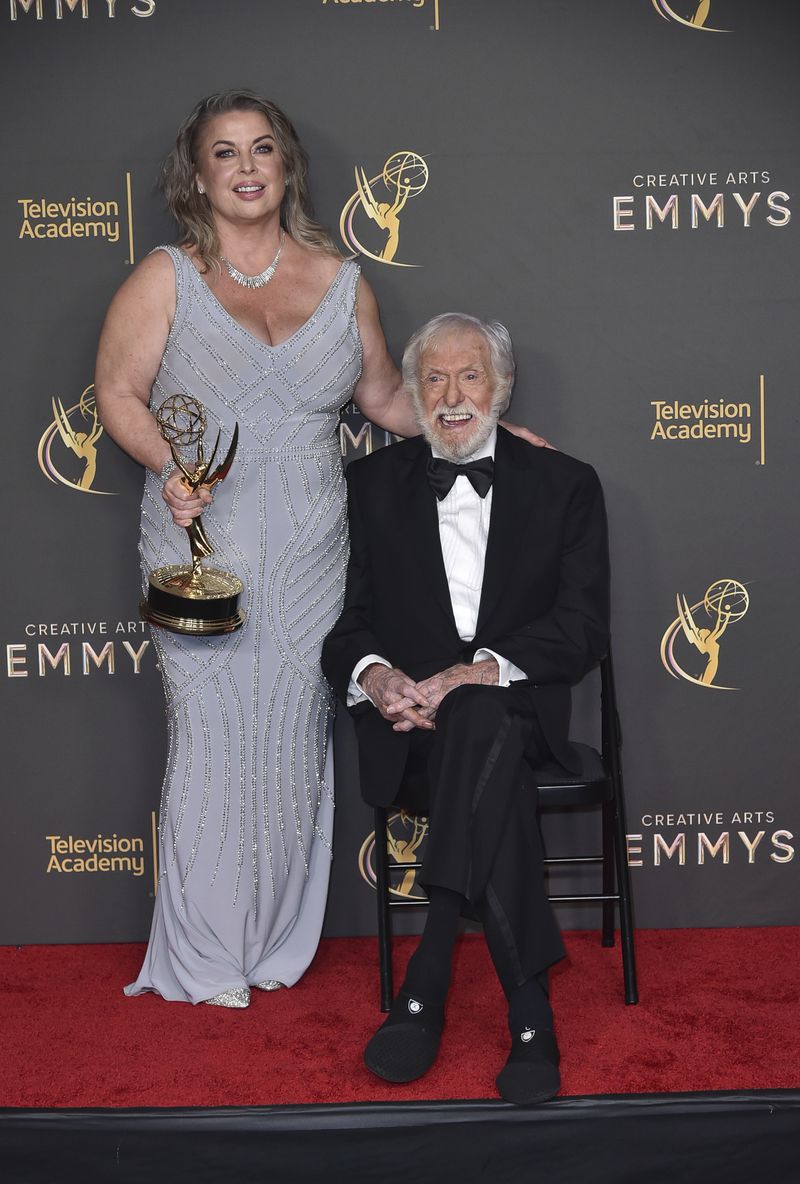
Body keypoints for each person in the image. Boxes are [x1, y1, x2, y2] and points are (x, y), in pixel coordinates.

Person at [95, 90, 547, 1008]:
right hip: (201, 545)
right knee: (215, 739)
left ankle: (270, 942)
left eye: (262, 148)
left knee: (291, 744)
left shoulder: (343, 281)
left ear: (287, 165)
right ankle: (205, 954)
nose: (247, 166)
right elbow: (116, 395)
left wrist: (492, 430)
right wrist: (170, 469)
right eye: (225, 153)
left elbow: (384, 401)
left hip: (311, 550)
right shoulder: (165, 278)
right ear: (199, 174)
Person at [321, 313, 609, 1103]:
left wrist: (475, 674)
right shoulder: (369, 489)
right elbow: (347, 625)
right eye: (434, 380)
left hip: (517, 721)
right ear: (412, 394)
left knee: (483, 714)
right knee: (480, 742)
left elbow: (581, 630)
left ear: (501, 386)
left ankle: (430, 971)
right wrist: (378, 679)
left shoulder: (566, 484)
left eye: (469, 376)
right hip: (410, 733)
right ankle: (529, 1013)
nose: (452, 397)